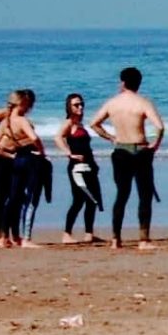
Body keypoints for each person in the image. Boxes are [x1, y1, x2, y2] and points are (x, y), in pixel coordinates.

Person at [90, 67, 164, 250]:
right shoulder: (143, 102)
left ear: (123, 82)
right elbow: (160, 127)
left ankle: (116, 239)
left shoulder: (112, 103)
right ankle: (143, 239)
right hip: (140, 150)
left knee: (122, 194)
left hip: (121, 149)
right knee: (144, 195)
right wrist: (155, 144)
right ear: (139, 83)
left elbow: (94, 123)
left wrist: (111, 137)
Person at [0, 89, 49, 248]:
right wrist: (41, 152)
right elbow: (33, 137)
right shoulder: (11, 117)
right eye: (28, 103)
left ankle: (11, 235)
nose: (30, 107)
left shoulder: (9, 120)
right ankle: (1, 236)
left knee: (13, 198)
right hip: (3, 159)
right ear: (22, 103)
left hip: (14, 158)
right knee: (4, 198)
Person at [54, 93, 103, 243]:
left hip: (89, 167)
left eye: (81, 104)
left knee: (93, 200)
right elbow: (58, 137)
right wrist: (69, 154)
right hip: (77, 169)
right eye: (76, 105)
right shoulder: (69, 123)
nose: (80, 107)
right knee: (79, 200)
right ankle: (66, 234)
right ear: (69, 107)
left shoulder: (80, 124)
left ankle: (89, 233)